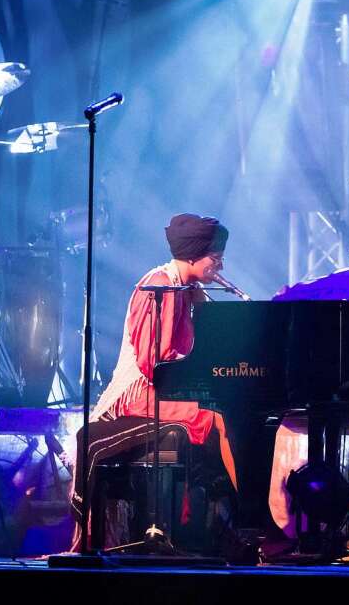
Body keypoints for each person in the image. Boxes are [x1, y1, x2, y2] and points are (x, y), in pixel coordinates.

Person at [69, 213, 238, 551]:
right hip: (141, 393)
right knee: (218, 417)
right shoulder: (160, 288)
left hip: (165, 388)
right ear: (192, 255)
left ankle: (228, 521)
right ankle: (245, 520)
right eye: (214, 258)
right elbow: (153, 362)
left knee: (228, 410)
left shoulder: (186, 289)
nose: (219, 265)